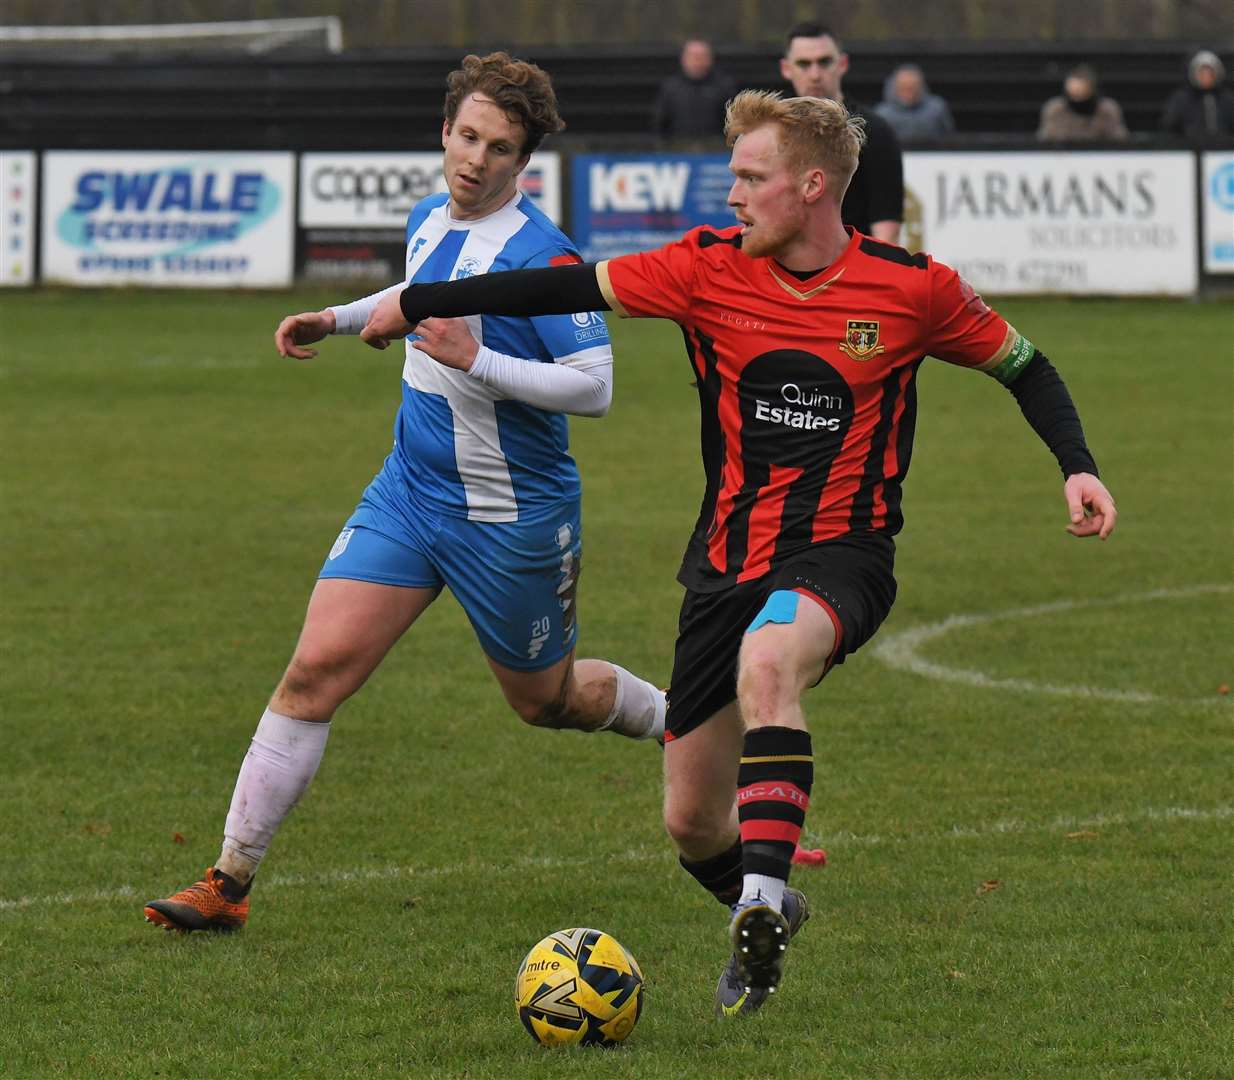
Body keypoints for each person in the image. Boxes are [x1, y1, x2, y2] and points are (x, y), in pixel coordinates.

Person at [358, 90, 1118, 1018]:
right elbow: (558, 287)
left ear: (810, 186)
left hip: (845, 552)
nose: (732, 196)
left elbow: (1025, 366)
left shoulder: (913, 287)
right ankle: (770, 904)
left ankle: (754, 909)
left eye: (750, 179)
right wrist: (418, 302)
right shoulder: (704, 270)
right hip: (723, 562)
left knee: (771, 665)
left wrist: (1077, 467)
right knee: (689, 821)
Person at [143, 52, 666, 934]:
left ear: (522, 162)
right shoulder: (430, 215)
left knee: (547, 702)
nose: (475, 159)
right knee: (313, 673)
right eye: (467, 136)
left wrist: (480, 360)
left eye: (499, 148)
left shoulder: (546, 255)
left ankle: (688, 721)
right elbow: (419, 292)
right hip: (410, 494)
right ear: (445, 132)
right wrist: (341, 319)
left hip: (509, 518)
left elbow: (595, 385)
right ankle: (228, 883)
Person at [781, 21, 902, 243]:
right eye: (804, 64)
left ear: (842, 64)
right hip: (784, 265)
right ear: (786, 69)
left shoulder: (874, 131)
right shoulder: (774, 131)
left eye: (824, 62)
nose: (815, 74)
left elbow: (886, 228)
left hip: (853, 267)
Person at [653, 37, 737, 141]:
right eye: (693, 56)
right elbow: (659, 124)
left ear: (710, 59)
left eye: (701, 56)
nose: (697, 61)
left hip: (716, 151)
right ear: (683, 59)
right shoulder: (670, 88)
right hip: (677, 151)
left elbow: (734, 125)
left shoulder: (725, 86)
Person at [1037, 64, 1128, 141]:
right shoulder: (1055, 110)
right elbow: (1044, 141)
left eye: (1081, 94)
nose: (1077, 99)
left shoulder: (1107, 110)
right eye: (1072, 94)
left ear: (1091, 91)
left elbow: (1120, 140)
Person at [1161, 50, 1234, 137]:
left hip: (1224, 148)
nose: (1206, 77)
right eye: (1202, 74)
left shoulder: (1227, 99)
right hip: (1189, 147)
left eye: (1210, 74)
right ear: (1194, 74)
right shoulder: (1181, 99)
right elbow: (1169, 125)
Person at [875, 63, 955, 141]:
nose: (908, 93)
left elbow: (949, 137)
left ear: (921, 87)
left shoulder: (936, 109)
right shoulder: (882, 114)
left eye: (912, 87)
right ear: (894, 88)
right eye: (903, 87)